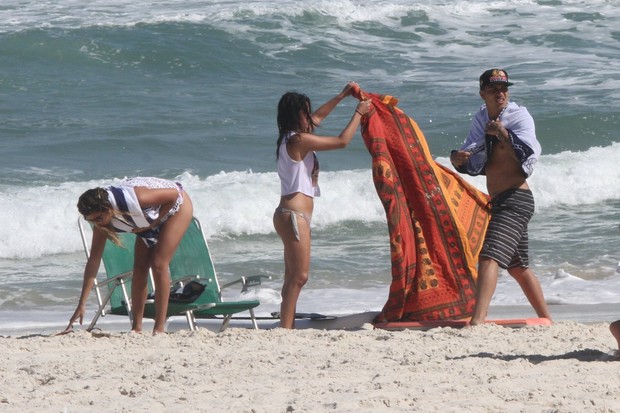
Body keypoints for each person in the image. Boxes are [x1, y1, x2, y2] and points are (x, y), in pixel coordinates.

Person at [450, 69, 552, 325]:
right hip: (499, 200)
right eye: (494, 89)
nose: (501, 93)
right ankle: (546, 319)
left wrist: (504, 133)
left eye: (504, 88)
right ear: (482, 93)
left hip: (516, 198)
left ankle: (477, 321)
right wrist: (458, 159)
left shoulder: (519, 116)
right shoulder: (481, 119)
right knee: (517, 266)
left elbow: (528, 152)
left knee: (488, 257)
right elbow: (471, 154)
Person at [273, 82, 372, 329]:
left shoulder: (290, 136)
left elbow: (317, 118)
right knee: (299, 277)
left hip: (291, 214)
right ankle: (285, 329)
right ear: (295, 115)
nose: (310, 116)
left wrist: (342, 95)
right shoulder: (297, 140)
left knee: (292, 278)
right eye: (305, 112)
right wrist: (359, 113)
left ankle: (287, 326)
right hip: (293, 215)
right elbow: (341, 141)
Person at [65, 177, 193, 334]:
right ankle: (136, 328)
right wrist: (81, 304)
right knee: (139, 269)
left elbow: (175, 195)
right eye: (92, 221)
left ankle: (159, 328)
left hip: (176, 207)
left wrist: (154, 223)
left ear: (107, 208)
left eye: (98, 218)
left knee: (159, 264)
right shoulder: (102, 223)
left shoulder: (138, 198)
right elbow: (94, 261)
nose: (98, 224)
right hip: (147, 216)